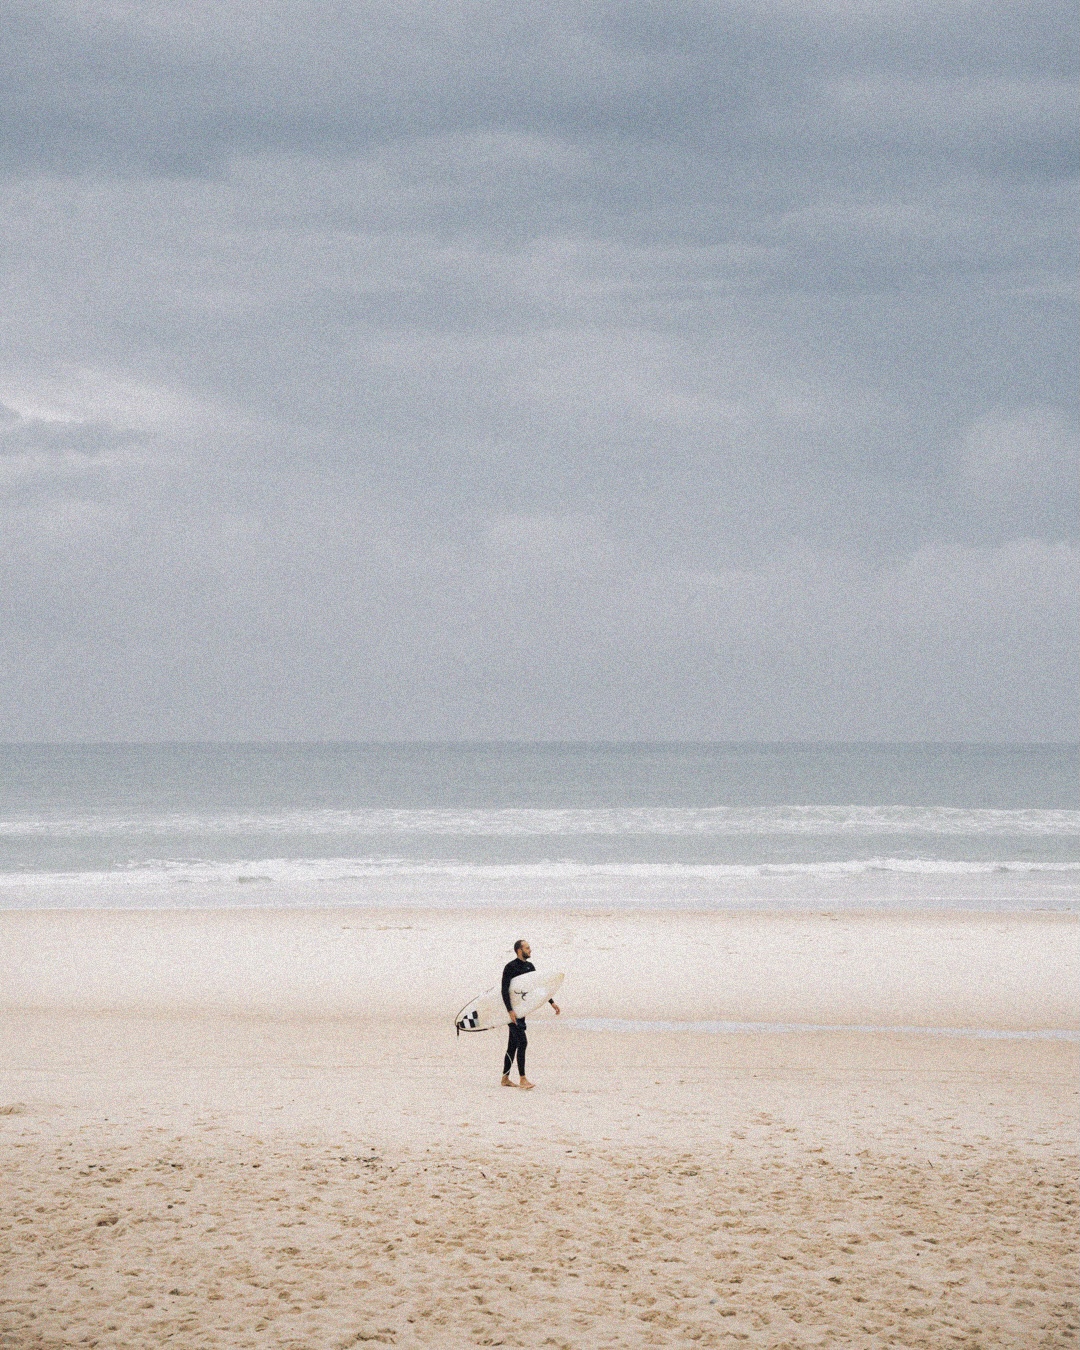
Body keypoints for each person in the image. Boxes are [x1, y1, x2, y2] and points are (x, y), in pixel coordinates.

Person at [500, 938, 560, 1090]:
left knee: (512, 1046)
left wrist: (551, 1002)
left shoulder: (529, 967)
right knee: (523, 1042)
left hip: (522, 1011)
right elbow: (504, 990)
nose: (530, 950)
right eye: (527, 948)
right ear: (519, 950)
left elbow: (538, 988)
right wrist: (510, 1011)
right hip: (512, 1012)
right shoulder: (510, 967)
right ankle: (523, 1079)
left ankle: (505, 1078)